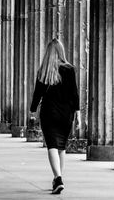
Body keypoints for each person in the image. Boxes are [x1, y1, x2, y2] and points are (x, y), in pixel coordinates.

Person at [30, 38, 81, 194]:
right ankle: (58, 177)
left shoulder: (43, 71)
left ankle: (58, 178)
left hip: (49, 112)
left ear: (48, 53)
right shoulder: (70, 69)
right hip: (66, 113)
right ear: (61, 51)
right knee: (61, 147)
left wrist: (32, 110)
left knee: (52, 145)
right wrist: (78, 113)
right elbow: (74, 94)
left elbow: (37, 94)